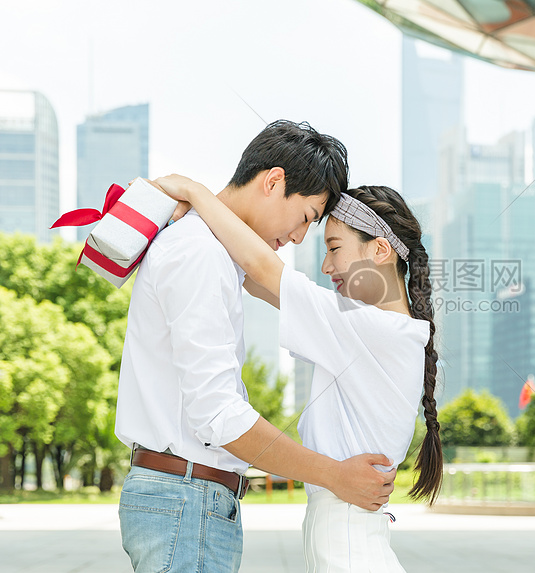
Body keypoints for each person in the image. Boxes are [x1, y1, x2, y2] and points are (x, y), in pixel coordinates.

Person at [115, 121, 395, 573]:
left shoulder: (212, 252)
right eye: (305, 217)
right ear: (273, 181)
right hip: (186, 500)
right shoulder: (200, 253)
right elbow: (219, 414)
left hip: (190, 500)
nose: (300, 238)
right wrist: (336, 476)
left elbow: (273, 282)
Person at [154, 174, 443, 572]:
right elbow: (258, 280)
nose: (326, 266)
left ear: (380, 250)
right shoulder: (379, 329)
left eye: (334, 248)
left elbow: (260, 268)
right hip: (351, 541)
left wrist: (193, 192)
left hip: (350, 548)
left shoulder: (374, 329)